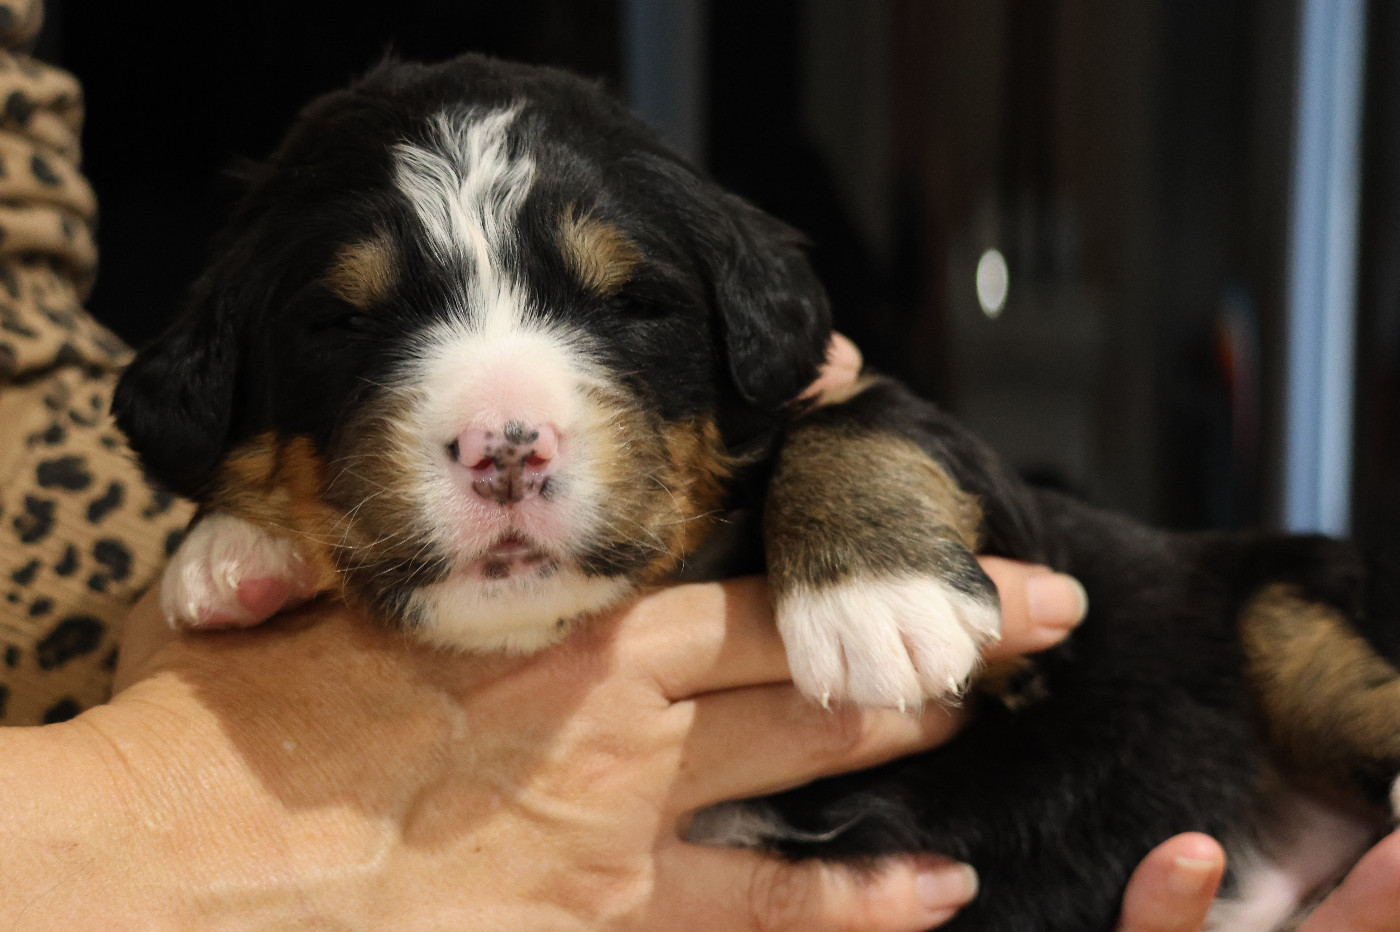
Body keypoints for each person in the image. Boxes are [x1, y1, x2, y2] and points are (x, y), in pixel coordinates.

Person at [1, 0, 1398, 924]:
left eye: (630, 308)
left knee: (1297, 628)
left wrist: (855, 515)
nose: (504, 440)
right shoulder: (273, 465)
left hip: (1227, 744)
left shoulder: (797, 436)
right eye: (350, 329)